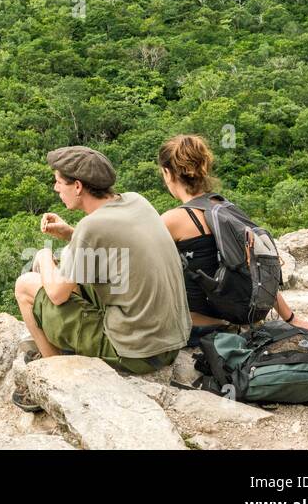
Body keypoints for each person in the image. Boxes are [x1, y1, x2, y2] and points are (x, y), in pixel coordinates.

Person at [14, 146, 191, 391]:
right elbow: (114, 248)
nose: (55, 188)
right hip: (172, 340)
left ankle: (51, 376)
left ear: (77, 186)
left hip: (137, 353)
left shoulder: (91, 227)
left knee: (26, 285)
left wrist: (43, 256)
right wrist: (70, 234)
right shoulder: (136, 201)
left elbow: (57, 294)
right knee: (65, 260)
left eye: (58, 182)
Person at [156, 134, 308, 343]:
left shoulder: (172, 220)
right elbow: (255, 268)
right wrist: (292, 318)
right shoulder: (225, 208)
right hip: (239, 314)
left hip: (197, 323)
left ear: (168, 173)